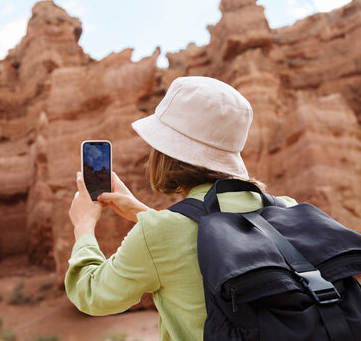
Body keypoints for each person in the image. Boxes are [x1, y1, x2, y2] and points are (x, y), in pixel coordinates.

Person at [64, 76, 296, 341]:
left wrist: (83, 226)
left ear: (166, 152)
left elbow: (92, 294)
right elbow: (210, 232)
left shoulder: (161, 234)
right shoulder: (287, 209)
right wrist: (145, 214)